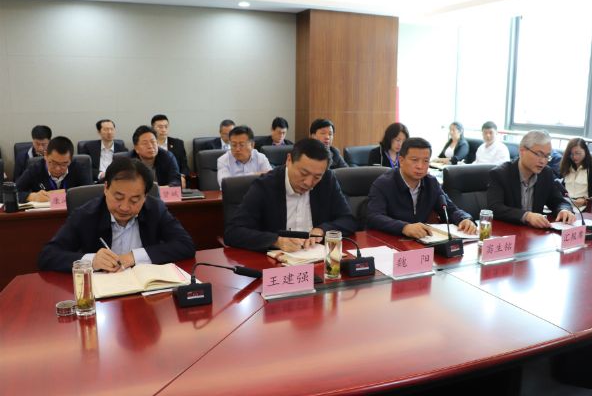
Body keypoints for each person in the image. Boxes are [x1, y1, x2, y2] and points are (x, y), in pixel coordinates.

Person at [38, 157, 195, 272]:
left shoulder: (155, 209)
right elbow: (48, 256)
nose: (125, 207)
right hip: (103, 296)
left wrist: (134, 256)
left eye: (134, 200)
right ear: (106, 188)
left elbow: (186, 245)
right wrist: (92, 261)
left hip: (146, 292)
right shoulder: (85, 215)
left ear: (145, 197)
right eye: (118, 197)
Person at [224, 138, 357, 252]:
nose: (308, 182)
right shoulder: (265, 186)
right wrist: (276, 241)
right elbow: (233, 232)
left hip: (316, 257)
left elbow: (348, 220)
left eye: (317, 177)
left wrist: (322, 230)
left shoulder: (327, 180)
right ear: (289, 160)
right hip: (276, 262)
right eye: (303, 173)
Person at [367, 137, 476, 238]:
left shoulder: (431, 183)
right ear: (401, 160)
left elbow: (450, 209)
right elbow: (374, 217)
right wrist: (404, 227)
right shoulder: (383, 184)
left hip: (420, 241)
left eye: (425, 161)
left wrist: (464, 219)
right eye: (414, 160)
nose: (420, 166)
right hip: (389, 240)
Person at [488, 130, 575, 228]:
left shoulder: (546, 173)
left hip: (534, 233)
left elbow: (559, 201)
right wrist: (526, 216)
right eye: (539, 154)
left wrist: (564, 210)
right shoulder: (500, 174)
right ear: (522, 151)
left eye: (547, 156)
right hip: (507, 231)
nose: (543, 161)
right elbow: (495, 208)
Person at [16, 136, 92, 202]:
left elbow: (90, 193)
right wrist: (32, 196)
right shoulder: (35, 169)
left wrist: (61, 193)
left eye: (64, 164)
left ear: (70, 160)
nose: (58, 168)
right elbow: (13, 193)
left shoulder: (78, 167)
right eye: (53, 163)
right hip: (44, 213)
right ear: (45, 155)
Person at [558, 137, 592, 208]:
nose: (574, 157)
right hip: (565, 205)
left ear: (585, 151)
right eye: (571, 154)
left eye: (577, 153)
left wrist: (585, 200)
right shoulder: (566, 166)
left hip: (584, 207)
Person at [151, 114, 190, 188]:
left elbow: (184, 166)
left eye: (166, 126)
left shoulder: (178, 143)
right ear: (153, 128)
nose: (163, 130)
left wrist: (181, 176)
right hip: (156, 180)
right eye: (160, 127)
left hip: (174, 179)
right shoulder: (150, 145)